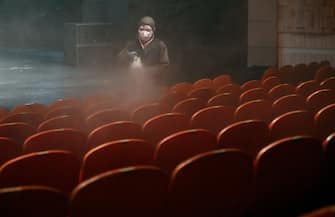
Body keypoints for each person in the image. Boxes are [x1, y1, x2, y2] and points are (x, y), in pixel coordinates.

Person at [118, 16, 170, 86]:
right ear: (138, 30)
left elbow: (164, 66)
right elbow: (119, 59)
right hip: (134, 84)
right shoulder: (131, 45)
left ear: (153, 30)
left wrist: (144, 71)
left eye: (148, 30)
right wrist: (128, 57)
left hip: (154, 84)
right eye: (141, 29)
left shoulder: (160, 45)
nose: (144, 33)